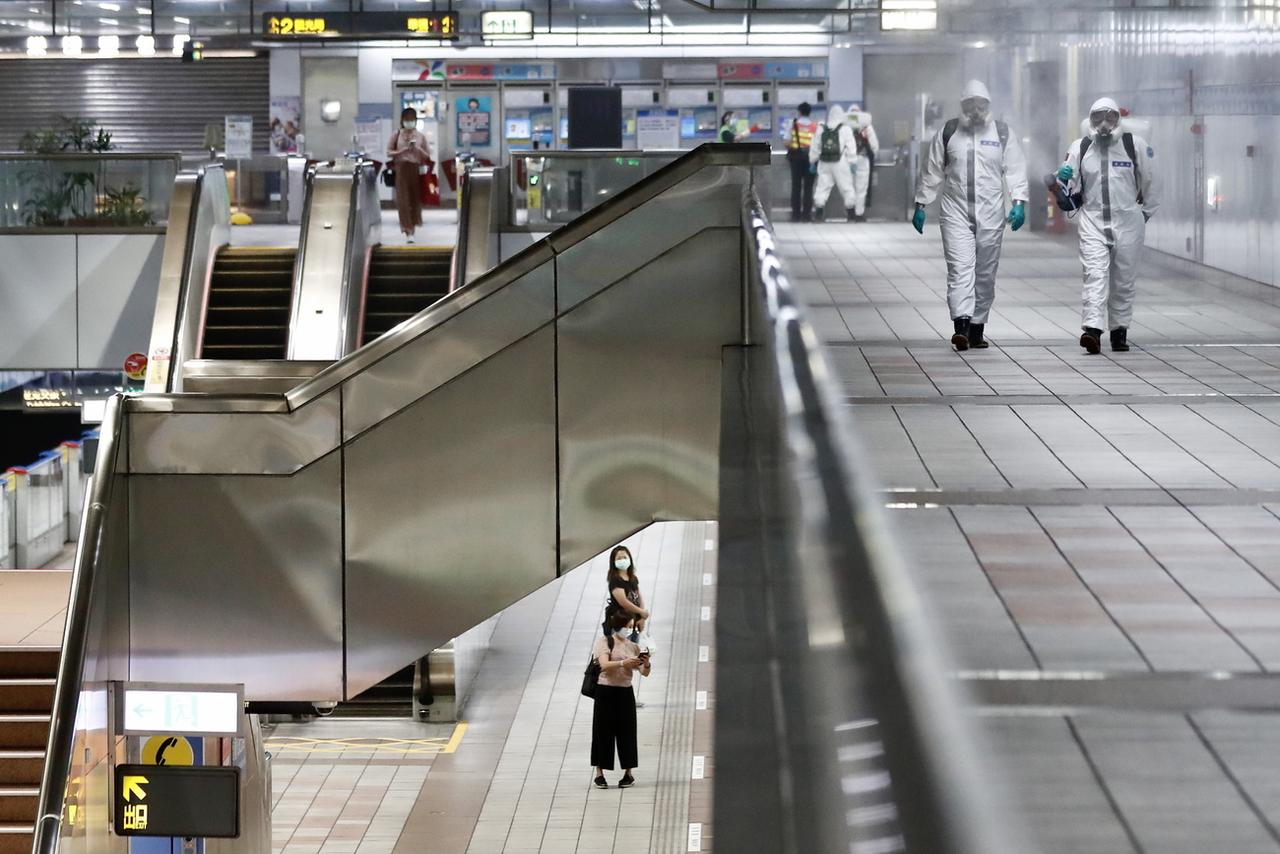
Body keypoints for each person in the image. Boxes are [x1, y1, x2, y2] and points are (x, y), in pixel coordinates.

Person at [912, 80, 1029, 351]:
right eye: (970, 105)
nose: (976, 110)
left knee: (985, 273)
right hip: (955, 211)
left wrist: (1019, 201)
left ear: (988, 106)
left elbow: (1015, 168)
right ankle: (961, 325)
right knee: (960, 269)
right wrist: (921, 203)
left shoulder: (1001, 133)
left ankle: (978, 327)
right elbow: (932, 170)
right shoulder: (949, 132)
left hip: (991, 212)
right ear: (962, 106)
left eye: (981, 105)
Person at [1056, 97, 1158, 354]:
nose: (1104, 124)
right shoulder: (1081, 147)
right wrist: (1064, 177)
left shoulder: (1134, 145)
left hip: (1129, 222)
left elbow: (1152, 181)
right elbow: (1067, 188)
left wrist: (1145, 214)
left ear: (1118, 119)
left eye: (1110, 117)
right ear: (1090, 120)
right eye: (1098, 117)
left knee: (1123, 280)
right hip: (1093, 221)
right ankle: (1092, 330)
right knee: (1095, 274)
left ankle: (1119, 331)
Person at [591, 609, 650, 789]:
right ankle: (600, 772)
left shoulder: (633, 646)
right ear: (618, 625)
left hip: (625, 692)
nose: (629, 630)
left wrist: (645, 662)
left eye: (631, 627)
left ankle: (628, 773)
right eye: (627, 626)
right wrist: (624, 663)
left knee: (627, 731)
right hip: (605, 691)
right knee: (602, 732)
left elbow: (644, 672)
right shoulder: (605, 642)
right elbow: (604, 665)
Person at [386, 107, 430, 243]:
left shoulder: (420, 136)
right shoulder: (397, 134)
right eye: (407, 119)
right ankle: (407, 229)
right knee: (403, 200)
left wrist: (417, 148)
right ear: (402, 120)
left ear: (415, 121)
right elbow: (388, 152)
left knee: (415, 200)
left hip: (416, 169)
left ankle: (414, 226)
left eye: (412, 119)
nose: (409, 122)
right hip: (401, 168)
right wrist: (401, 151)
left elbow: (427, 155)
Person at [808, 104, 857, 223]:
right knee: (846, 187)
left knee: (822, 188)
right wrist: (852, 162)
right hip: (841, 162)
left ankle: (819, 214)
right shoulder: (845, 129)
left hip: (824, 162)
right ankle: (851, 215)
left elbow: (815, 147)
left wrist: (812, 161)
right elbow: (851, 147)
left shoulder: (821, 128)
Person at [844, 104, 879, 222]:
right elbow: (874, 146)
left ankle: (850, 213)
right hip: (863, 159)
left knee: (849, 187)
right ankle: (859, 214)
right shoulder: (866, 127)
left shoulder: (845, 127)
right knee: (861, 188)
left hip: (848, 160)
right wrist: (873, 155)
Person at [784, 102, 818, 222]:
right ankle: (807, 215)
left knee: (796, 186)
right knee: (809, 187)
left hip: (796, 158)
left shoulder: (792, 125)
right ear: (810, 113)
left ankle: (796, 215)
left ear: (799, 112)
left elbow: (786, 142)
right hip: (811, 159)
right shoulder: (815, 126)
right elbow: (818, 145)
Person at [605, 545, 648, 635]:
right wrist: (641, 612)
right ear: (613, 562)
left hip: (635, 621)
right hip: (621, 623)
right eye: (619, 558)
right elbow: (623, 602)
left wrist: (642, 617)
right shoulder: (615, 580)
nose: (622, 560)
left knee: (634, 647)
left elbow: (639, 597)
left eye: (625, 557)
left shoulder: (633, 578)